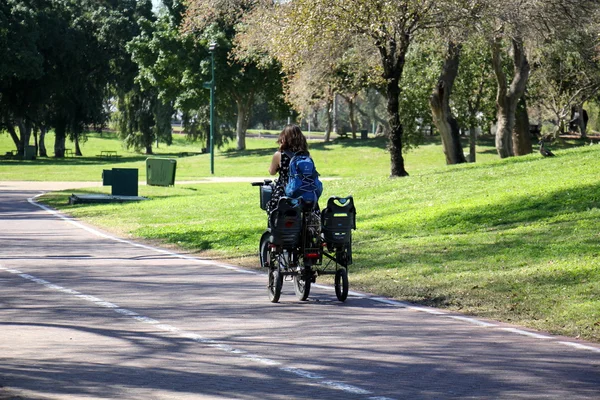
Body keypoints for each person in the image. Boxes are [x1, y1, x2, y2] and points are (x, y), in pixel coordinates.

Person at [266, 124, 310, 214]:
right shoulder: (306, 155)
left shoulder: (279, 155)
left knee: (273, 211)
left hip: (284, 192)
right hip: (304, 192)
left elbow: (272, 172)